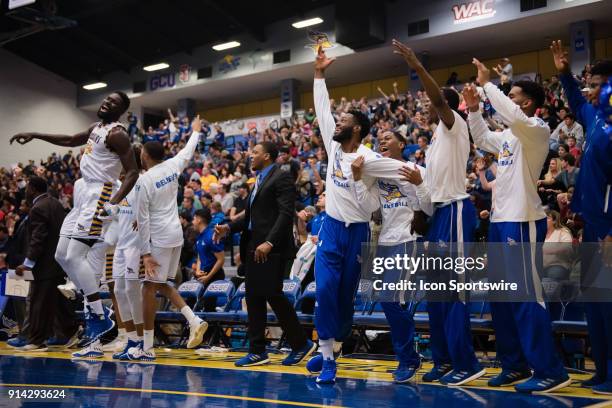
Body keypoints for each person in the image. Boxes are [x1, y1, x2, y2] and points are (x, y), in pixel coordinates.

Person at [463, 58, 570, 393]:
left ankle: (550, 370)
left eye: (514, 94)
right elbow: (480, 136)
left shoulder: (536, 131)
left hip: (523, 221)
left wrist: (487, 84)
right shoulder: (508, 137)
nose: (509, 98)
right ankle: (514, 365)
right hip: (499, 221)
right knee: (502, 299)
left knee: (526, 297)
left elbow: (511, 113)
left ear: (528, 103)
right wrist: (473, 108)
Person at [10, 91, 139, 358]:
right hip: (83, 195)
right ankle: (95, 312)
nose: (106, 103)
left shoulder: (117, 134)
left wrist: (114, 202)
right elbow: (69, 139)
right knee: (61, 255)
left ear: (121, 111)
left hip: (100, 194)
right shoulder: (96, 128)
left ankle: (99, 315)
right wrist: (35, 134)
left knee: (74, 256)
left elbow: (133, 172)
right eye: (106, 99)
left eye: (113, 103)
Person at [391, 39, 485, 386]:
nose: (425, 107)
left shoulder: (454, 123)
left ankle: (467, 363)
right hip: (438, 217)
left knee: (453, 291)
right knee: (435, 295)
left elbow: (438, 98)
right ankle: (444, 360)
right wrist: (418, 191)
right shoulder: (432, 144)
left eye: (430, 102)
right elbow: (429, 196)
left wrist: (416, 65)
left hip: (458, 211)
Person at [214, 142, 315, 367]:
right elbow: (251, 218)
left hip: (271, 248)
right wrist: (228, 227)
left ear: (267, 156)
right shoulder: (258, 181)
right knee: (254, 297)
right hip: (253, 247)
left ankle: (300, 344)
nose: (251, 155)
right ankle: (258, 350)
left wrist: (270, 241)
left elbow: (286, 213)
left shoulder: (281, 177)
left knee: (272, 294)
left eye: (255, 152)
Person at [552, 40, 612, 393]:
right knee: (595, 305)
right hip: (590, 228)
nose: (590, 92)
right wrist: (563, 75)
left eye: (596, 85)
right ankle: (602, 370)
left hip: (607, 233)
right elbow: (575, 102)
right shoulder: (595, 119)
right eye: (589, 85)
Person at [351, 130, 432, 383]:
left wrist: (419, 184)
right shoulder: (376, 175)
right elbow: (369, 207)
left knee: (389, 298)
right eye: (380, 139)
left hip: (408, 240)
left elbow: (429, 206)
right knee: (390, 301)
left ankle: (408, 358)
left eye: (389, 137)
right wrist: (356, 179)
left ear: (402, 144)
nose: (383, 141)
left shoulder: (416, 169)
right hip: (385, 241)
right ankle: (408, 356)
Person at [129, 116, 208, 361]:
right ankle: (194, 320)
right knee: (163, 285)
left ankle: (147, 347)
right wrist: (196, 131)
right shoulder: (173, 165)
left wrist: (145, 254)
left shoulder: (144, 180)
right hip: (176, 236)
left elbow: (141, 221)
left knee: (148, 288)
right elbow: (188, 150)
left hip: (160, 240)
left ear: (145, 155)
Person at [14, 177, 79, 351]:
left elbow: (38, 239)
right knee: (59, 303)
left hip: (44, 265)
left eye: (27, 188)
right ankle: (68, 333)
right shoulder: (55, 204)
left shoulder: (38, 208)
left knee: (38, 303)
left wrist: (28, 263)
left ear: (33, 189)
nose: (25, 191)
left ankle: (36, 340)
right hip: (59, 263)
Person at [111, 146, 146, 360]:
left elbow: (151, 208)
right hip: (120, 245)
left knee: (132, 291)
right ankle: (131, 339)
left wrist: (142, 219)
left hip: (136, 245)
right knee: (119, 290)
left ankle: (142, 341)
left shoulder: (142, 183)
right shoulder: (119, 185)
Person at [192, 208, 225, 311]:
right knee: (192, 303)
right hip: (203, 274)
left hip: (214, 275)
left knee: (208, 308)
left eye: (193, 219)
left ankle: (213, 327)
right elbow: (200, 256)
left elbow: (221, 259)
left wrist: (209, 277)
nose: (192, 222)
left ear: (199, 220)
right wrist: (198, 270)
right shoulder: (199, 236)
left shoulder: (211, 236)